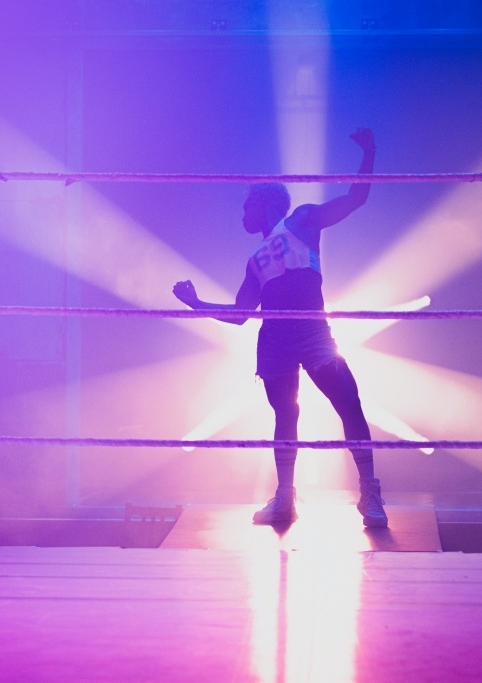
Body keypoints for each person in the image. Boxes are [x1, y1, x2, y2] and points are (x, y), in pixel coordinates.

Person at [172, 128, 388, 528]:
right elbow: (239, 314)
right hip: (274, 342)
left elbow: (356, 198)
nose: (241, 216)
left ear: (263, 203)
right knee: (285, 417)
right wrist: (197, 303)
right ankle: (284, 500)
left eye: (245, 207)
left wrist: (369, 152)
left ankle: (370, 493)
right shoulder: (254, 260)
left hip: (312, 333)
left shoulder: (302, 220)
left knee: (349, 402)